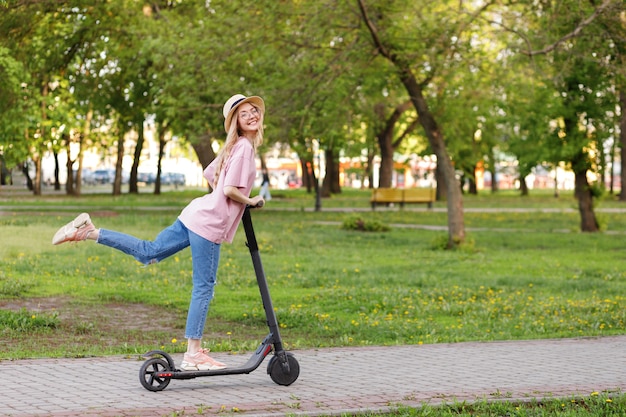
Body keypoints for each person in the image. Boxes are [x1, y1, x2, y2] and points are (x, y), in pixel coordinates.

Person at [51, 94, 266, 371]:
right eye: (244, 113)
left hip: (195, 214)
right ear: (235, 121)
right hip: (210, 223)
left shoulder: (233, 146)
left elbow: (210, 174)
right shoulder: (245, 147)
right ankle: (194, 353)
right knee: (204, 287)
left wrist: (222, 195)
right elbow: (227, 189)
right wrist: (251, 201)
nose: (251, 115)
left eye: (254, 110)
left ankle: (90, 232)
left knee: (148, 252)